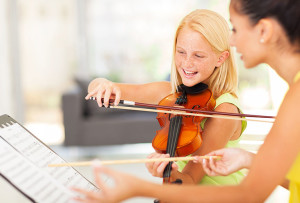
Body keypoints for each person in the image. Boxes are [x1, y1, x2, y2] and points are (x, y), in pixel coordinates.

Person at [73, 0, 300, 202]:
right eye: (181, 52)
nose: (231, 39)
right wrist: (102, 85)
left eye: (235, 28)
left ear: (263, 30)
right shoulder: (293, 94)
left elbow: (248, 194)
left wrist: (138, 188)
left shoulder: (234, 108)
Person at [85, 9, 247, 186]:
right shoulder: (171, 94)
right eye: (181, 52)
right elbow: (97, 85)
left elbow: (190, 180)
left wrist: (170, 174)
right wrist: (102, 85)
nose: (187, 63)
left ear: (221, 58)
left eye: (198, 55)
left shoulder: (225, 111)